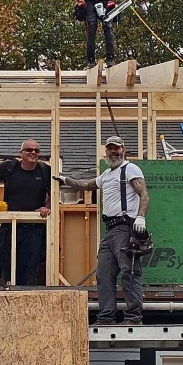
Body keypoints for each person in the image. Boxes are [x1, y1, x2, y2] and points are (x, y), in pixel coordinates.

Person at [61, 135, 149, 324]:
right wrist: (64, 179)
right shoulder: (106, 175)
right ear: (106, 151)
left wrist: (140, 218)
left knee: (130, 272)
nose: (113, 152)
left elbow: (144, 194)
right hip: (110, 231)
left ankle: (134, 317)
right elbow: (85, 185)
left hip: (126, 228)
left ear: (123, 150)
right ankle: (107, 317)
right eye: (110, 149)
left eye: (116, 148)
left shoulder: (130, 169)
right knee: (103, 274)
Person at [0, 140, 51, 285]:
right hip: (9, 228)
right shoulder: (9, 167)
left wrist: (47, 206)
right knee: (8, 268)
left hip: (33, 229)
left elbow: (55, 193)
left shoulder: (45, 170)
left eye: (36, 151)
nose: (33, 153)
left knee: (29, 271)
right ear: (21, 153)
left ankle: (27, 299)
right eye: (29, 150)